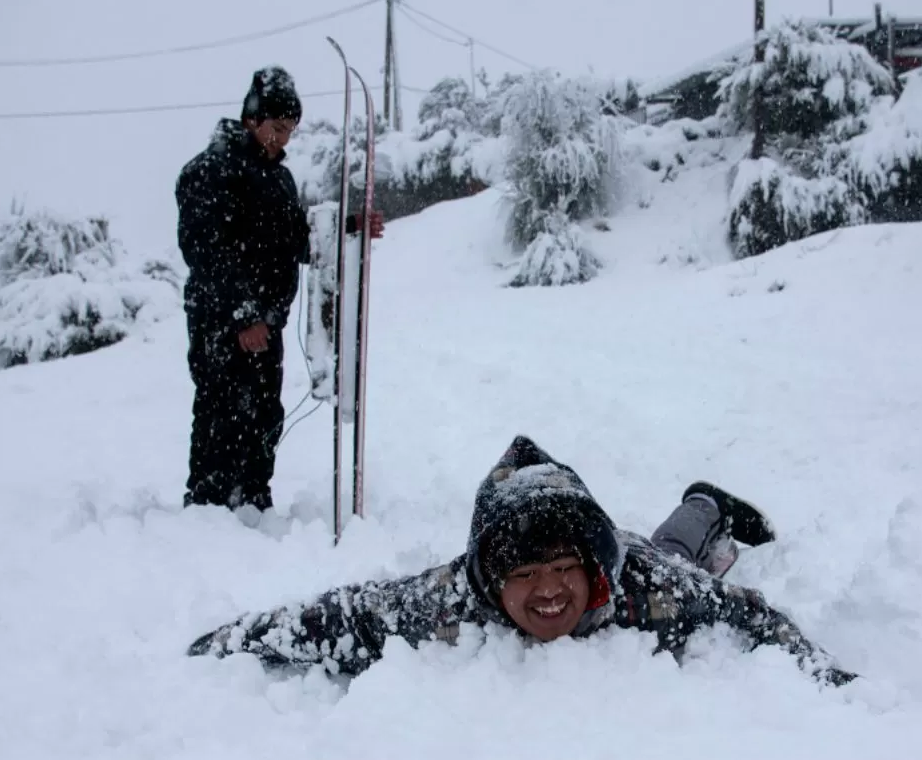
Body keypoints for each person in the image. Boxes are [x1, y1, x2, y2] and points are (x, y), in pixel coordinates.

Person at [187, 435, 856, 689]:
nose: (547, 593)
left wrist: (829, 678)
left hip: (640, 553)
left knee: (677, 554)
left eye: (562, 569)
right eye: (524, 575)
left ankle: (706, 501)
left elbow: (749, 612)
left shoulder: (644, 586)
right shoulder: (450, 598)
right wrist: (234, 640)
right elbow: (349, 616)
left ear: (590, 568)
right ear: (492, 580)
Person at [176, 65, 384, 511]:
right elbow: (209, 252)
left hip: (267, 321)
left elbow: (296, 241)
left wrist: (350, 227)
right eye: (277, 127)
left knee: (263, 411)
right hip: (222, 321)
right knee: (223, 410)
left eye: (290, 129)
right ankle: (210, 505)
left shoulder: (279, 178)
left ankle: (254, 499)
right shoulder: (210, 171)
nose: (283, 139)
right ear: (252, 119)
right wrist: (243, 315)